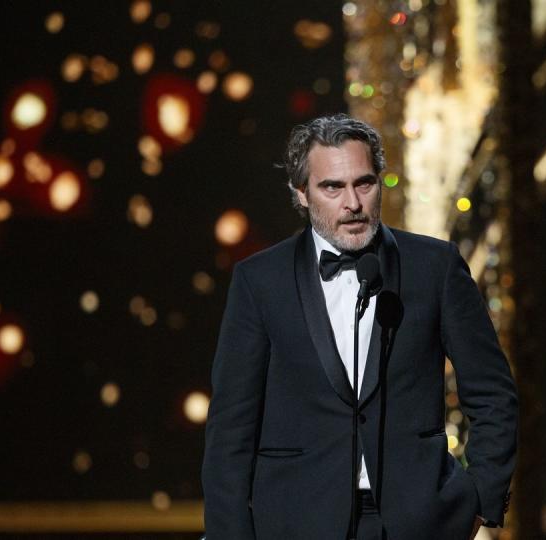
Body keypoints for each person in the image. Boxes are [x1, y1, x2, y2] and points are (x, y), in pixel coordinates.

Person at [202, 114, 517, 539]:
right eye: (332, 187)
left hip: (418, 522)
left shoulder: (433, 268)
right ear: (301, 193)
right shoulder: (260, 281)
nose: (352, 203)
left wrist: (480, 500)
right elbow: (230, 428)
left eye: (364, 183)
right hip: (296, 523)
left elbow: (493, 393)